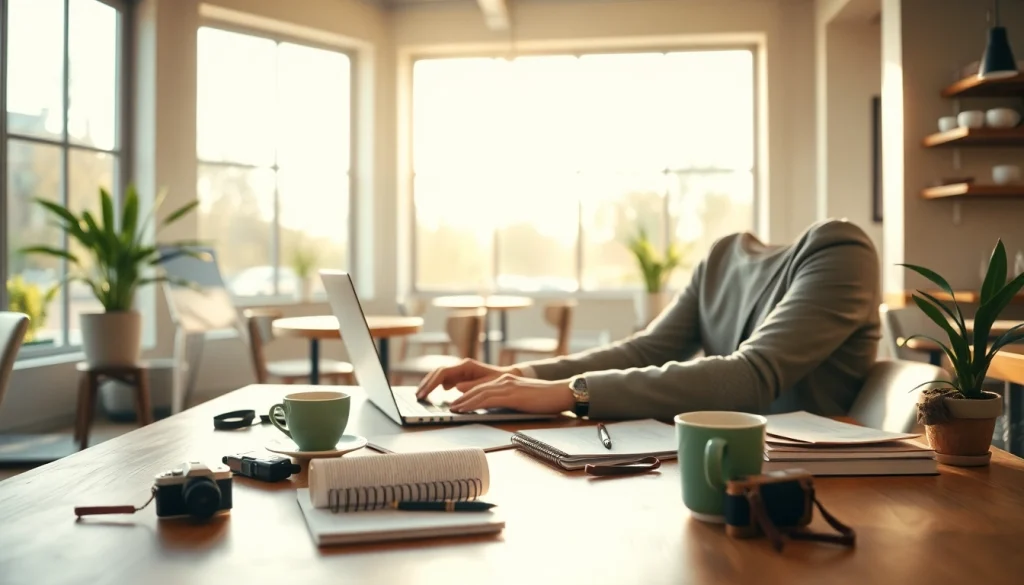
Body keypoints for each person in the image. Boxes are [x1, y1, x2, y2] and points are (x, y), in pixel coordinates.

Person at [416, 219, 881, 420]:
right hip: (731, 466)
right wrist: (519, 376)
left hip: (822, 487)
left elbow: (752, 375)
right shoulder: (721, 257)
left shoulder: (841, 250)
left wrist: (568, 393)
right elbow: (645, 349)